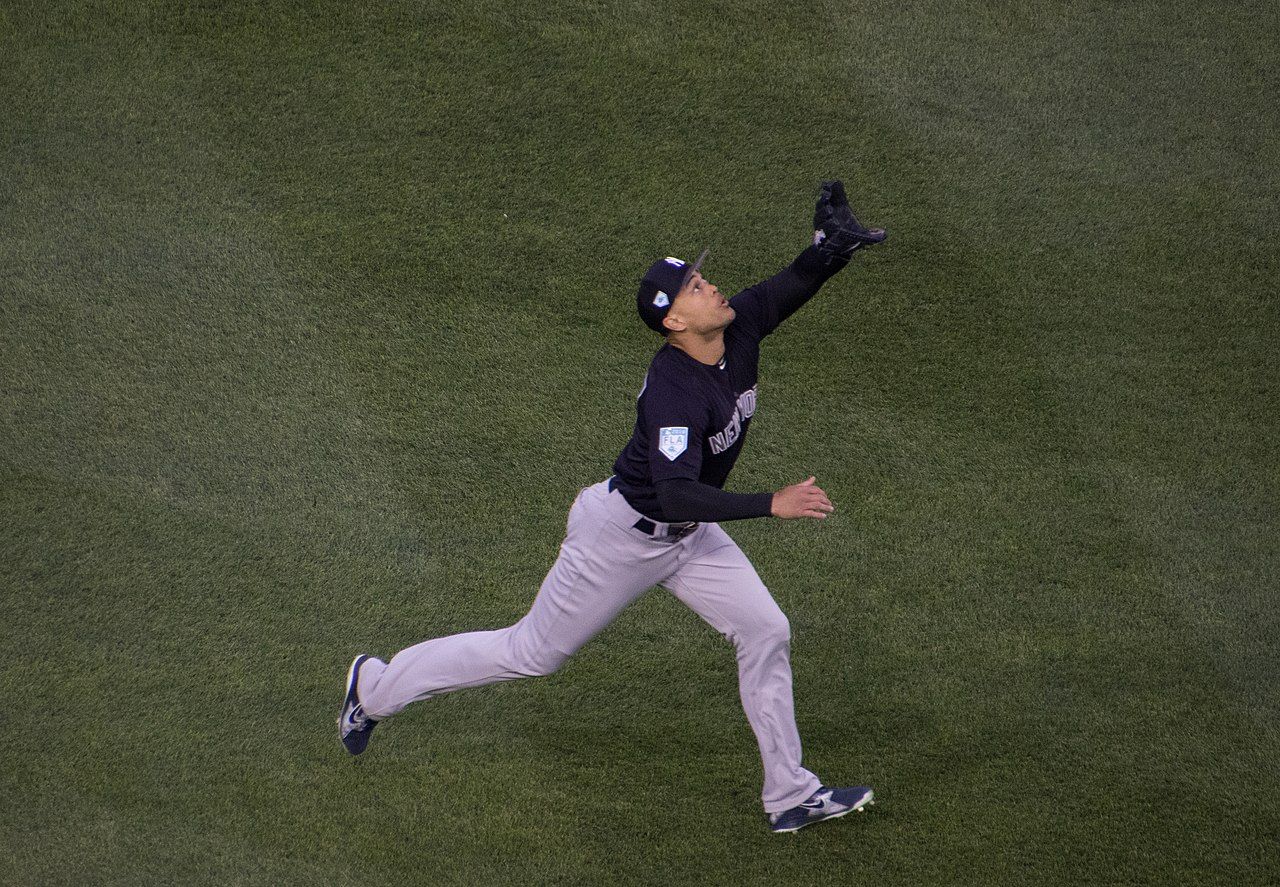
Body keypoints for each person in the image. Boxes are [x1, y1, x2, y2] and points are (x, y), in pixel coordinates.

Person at [337, 181, 887, 834]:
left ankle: (790, 793)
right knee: (531, 652)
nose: (709, 285)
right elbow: (678, 489)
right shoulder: (674, 393)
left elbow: (793, 282)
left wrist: (832, 249)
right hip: (619, 538)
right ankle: (374, 686)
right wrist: (774, 502)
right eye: (693, 288)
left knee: (766, 628)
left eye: (701, 276)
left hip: (685, 535)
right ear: (675, 322)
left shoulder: (737, 328)